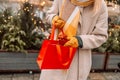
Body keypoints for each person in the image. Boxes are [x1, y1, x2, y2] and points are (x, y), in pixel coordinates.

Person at [39, 0, 108, 80]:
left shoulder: (100, 5)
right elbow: (49, 14)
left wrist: (79, 41)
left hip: (79, 59)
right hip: (57, 50)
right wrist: (53, 18)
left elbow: (101, 36)